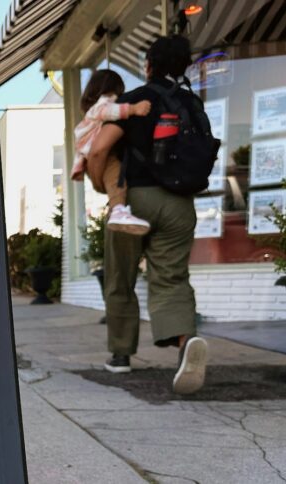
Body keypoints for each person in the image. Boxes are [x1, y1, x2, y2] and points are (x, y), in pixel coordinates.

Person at [86, 35, 208, 394]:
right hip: (179, 203)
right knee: (171, 277)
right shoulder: (191, 103)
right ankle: (185, 343)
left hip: (133, 200)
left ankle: (121, 355)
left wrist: (102, 187)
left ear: (149, 65)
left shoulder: (136, 100)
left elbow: (99, 150)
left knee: (120, 278)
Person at [72, 70, 152, 235]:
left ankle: (118, 209)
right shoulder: (103, 104)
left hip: (89, 155)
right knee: (116, 177)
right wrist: (133, 109)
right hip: (100, 155)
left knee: (113, 178)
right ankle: (118, 210)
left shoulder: (91, 111)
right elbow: (109, 111)